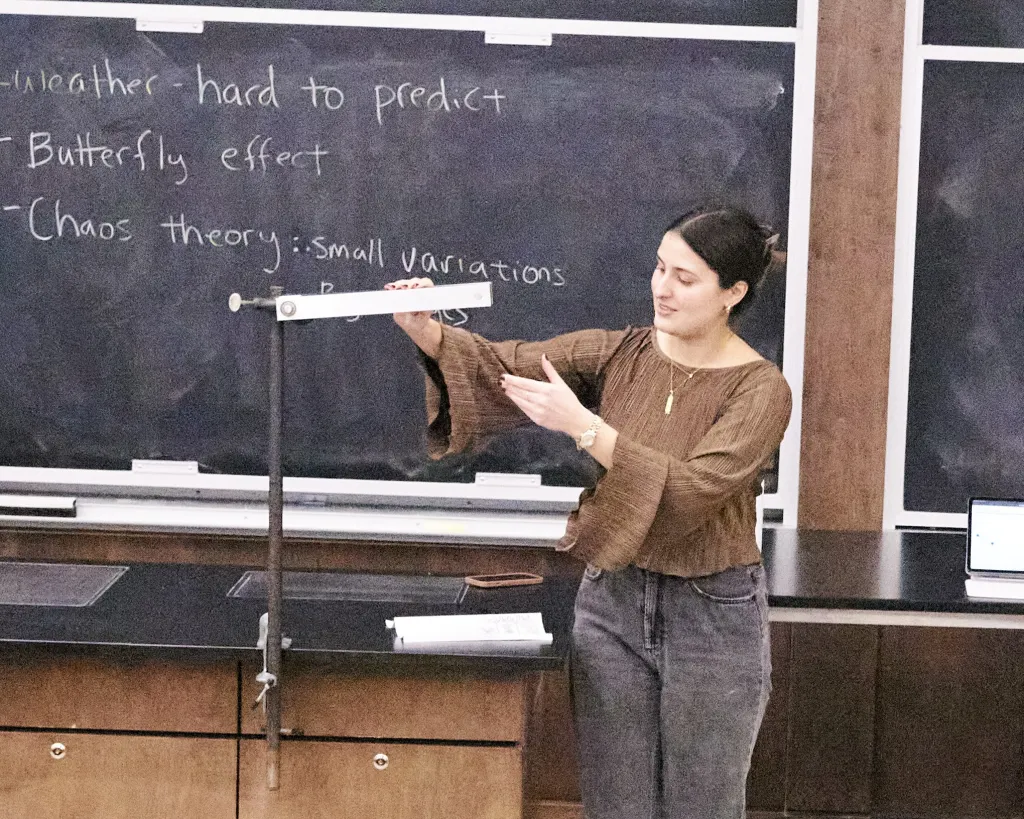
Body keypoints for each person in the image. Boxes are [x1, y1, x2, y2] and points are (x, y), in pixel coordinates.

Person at [387, 205, 792, 819]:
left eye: (685, 278)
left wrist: (585, 428)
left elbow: (691, 493)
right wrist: (430, 334)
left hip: (713, 612)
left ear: (732, 293)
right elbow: (508, 368)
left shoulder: (760, 390)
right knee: (615, 803)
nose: (662, 288)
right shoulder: (619, 352)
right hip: (613, 601)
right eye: (660, 268)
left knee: (703, 804)